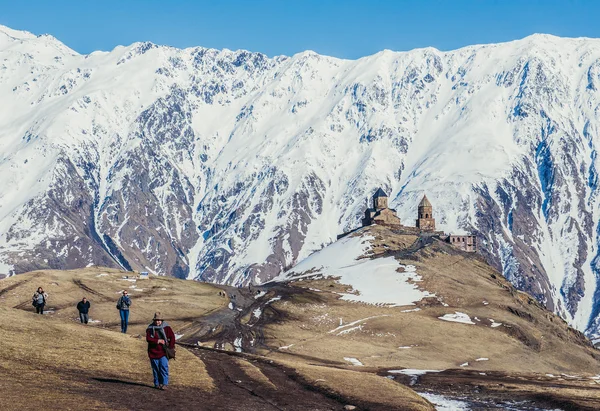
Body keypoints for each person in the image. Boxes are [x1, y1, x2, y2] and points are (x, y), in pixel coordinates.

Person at [146, 312, 175, 390]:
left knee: (163, 367)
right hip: (153, 351)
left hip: (163, 352)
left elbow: (172, 337)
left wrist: (170, 347)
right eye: (156, 320)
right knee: (155, 369)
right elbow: (148, 339)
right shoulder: (149, 328)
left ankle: (164, 383)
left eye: (159, 320)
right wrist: (157, 341)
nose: (157, 322)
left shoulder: (167, 328)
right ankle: (157, 383)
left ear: (162, 320)